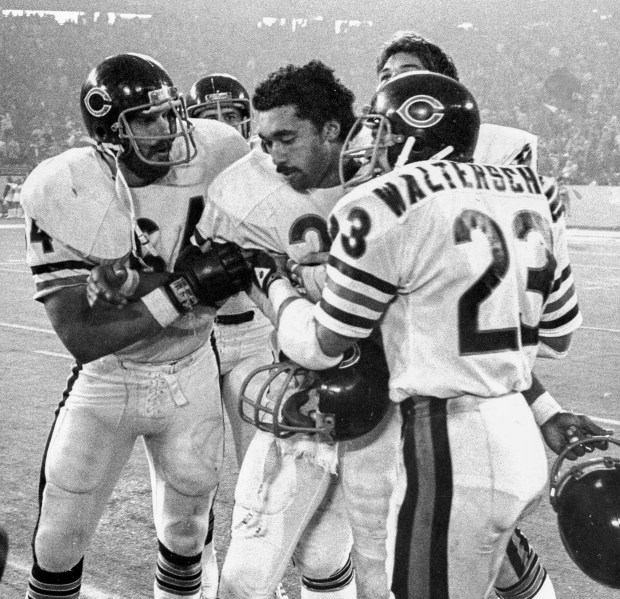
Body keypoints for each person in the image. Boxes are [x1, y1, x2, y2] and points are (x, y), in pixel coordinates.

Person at [250, 70, 609, 598]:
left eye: (381, 131)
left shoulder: (383, 202)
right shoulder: (534, 192)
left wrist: (273, 284)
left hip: (448, 443)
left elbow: (319, 344)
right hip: (516, 430)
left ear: (415, 131)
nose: (369, 144)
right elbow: (556, 334)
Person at [367, 30, 608, 599]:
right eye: (385, 79)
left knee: (432, 555)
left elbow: (485, 332)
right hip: (399, 393)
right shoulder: (374, 171)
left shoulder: (492, 169)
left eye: (407, 80)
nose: (389, 91)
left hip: (439, 410)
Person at [20, 53, 251, 599]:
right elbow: (80, 336)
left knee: (188, 532)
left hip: (192, 368)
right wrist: (182, 292)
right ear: (108, 128)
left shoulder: (217, 155)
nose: (168, 130)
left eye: (171, 114)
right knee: (60, 537)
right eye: (146, 119)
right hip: (109, 379)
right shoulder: (67, 189)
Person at [194, 60, 372, 599]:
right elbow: (212, 280)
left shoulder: (389, 186)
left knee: (334, 559)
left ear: (332, 130)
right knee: (250, 577)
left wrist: (275, 278)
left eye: (287, 138)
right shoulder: (241, 191)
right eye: (265, 140)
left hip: (388, 403)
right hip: (312, 397)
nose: (273, 156)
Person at [188, 70, 277, 599]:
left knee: (261, 477)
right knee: (193, 480)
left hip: (253, 336)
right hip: (194, 337)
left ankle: (258, 586)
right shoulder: (170, 175)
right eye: (210, 116)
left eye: (231, 116)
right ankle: (197, 582)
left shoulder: (271, 172)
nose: (221, 127)